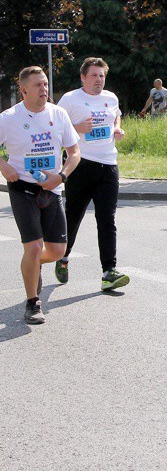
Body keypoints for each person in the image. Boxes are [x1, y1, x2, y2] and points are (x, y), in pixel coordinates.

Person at [0, 66, 80, 324]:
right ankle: (33, 302)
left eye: (45, 84)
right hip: (22, 188)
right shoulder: (9, 117)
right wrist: (4, 166)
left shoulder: (59, 114)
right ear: (23, 90)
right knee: (33, 246)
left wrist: (62, 176)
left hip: (53, 188)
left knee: (57, 251)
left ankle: (32, 265)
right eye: (37, 85)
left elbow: (74, 151)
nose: (44, 89)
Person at [55, 57, 130, 291]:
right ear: (83, 77)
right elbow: (54, 125)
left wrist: (117, 127)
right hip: (81, 165)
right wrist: (76, 128)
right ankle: (63, 256)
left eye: (102, 76)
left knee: (107, 219)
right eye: (94, 76)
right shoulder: (70, 99)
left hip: (109, 164)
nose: (99, 80)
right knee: (73, 216)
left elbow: (115, 114)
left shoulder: (110, 98)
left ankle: (109, 271)